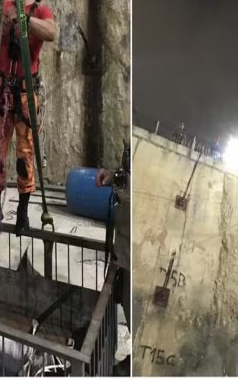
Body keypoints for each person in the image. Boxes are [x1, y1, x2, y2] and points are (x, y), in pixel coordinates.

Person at [0, 0, 56, 235]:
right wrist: (0, 23)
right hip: (3, 91)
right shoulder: (5, 7)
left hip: (24, 94)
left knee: (25, 156)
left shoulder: (42, 11)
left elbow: (51, 32)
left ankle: (23, 212)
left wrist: (23, 19)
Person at [96, 140, 130, 376]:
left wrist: (118, 186)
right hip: (124, 249)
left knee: (129, 301)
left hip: (131, 251)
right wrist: (113, 176)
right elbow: (127, 173)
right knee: (124, 300)